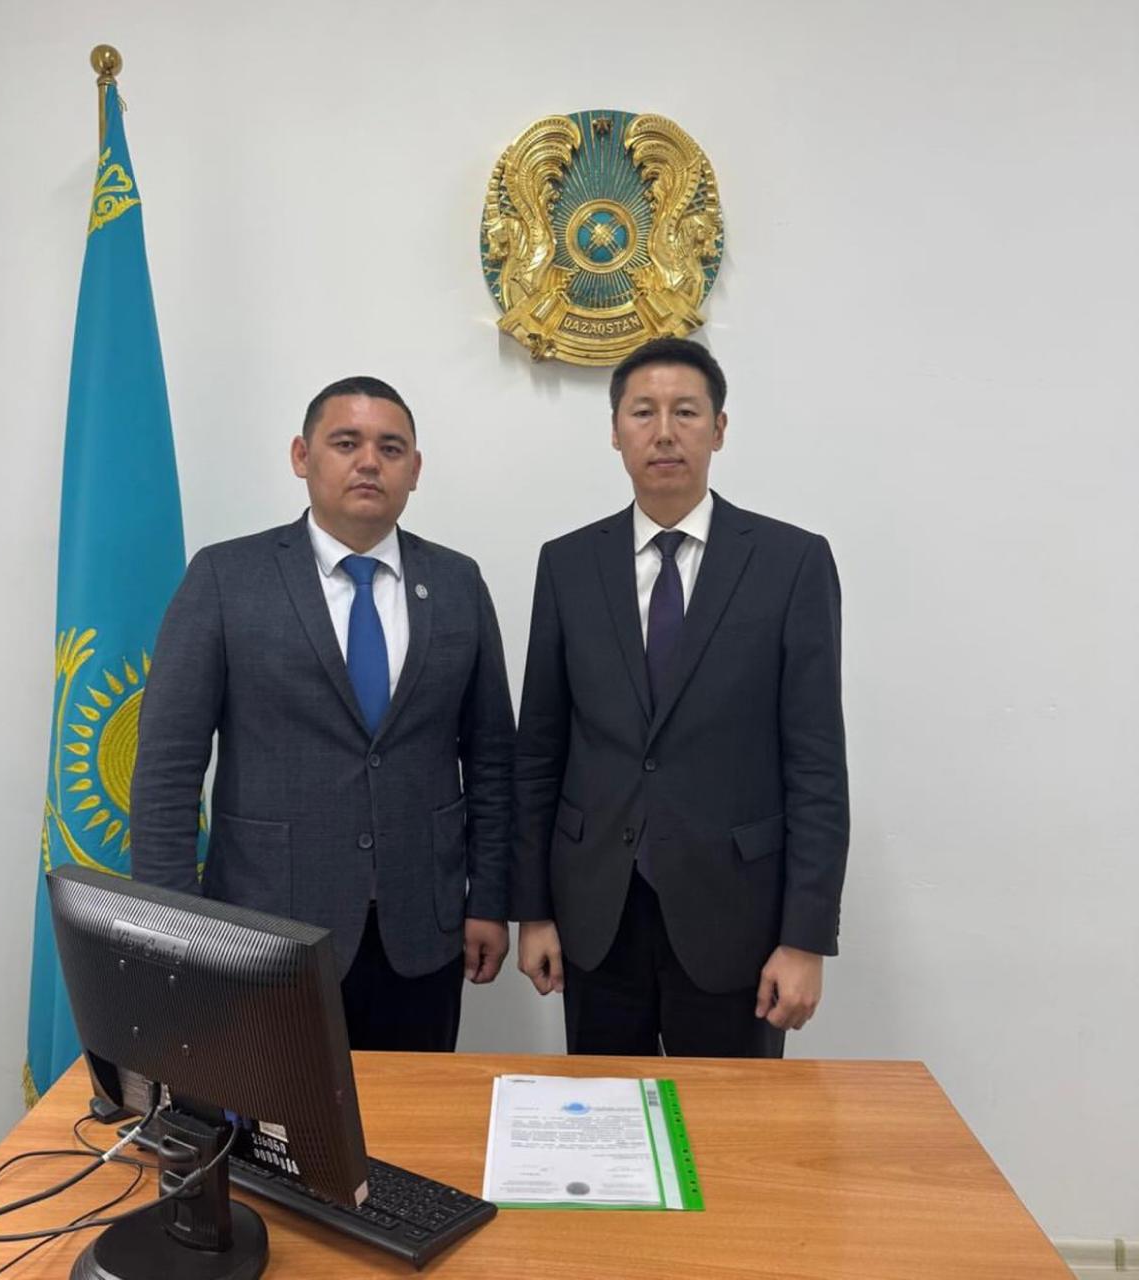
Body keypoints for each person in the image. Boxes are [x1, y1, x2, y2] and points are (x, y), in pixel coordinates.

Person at [131, 376, 515, 1052]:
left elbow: (490, 760)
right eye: (345, 443)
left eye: (390, 448)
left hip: (421, 933)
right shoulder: (225, 578)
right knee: (268, 1116)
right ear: (301, 456)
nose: (369, 462)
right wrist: (175, 928)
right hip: (263, 932)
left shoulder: (458, 583)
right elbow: (167, 769)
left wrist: (487, 899)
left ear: (414, 470)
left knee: (411, 1113)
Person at [512, 338, 849, 1057]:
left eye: (686, 412)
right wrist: (532, 912)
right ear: (615, 432)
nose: (664, 432)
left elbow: (817, 765)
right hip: (597, 916)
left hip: (738, 920)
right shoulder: (568, 565)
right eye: (643, 412)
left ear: (718, 429)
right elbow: (540, 751)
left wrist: (805, 939)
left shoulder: (790, 563)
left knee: (732, 1120)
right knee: (603, 1115)